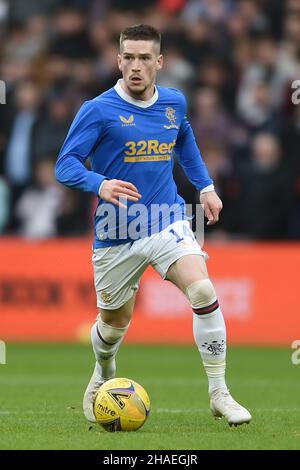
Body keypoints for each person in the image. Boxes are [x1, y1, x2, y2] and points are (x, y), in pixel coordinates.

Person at [55, 24, 251, 426]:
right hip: (114, 231)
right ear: (118, 60)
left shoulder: (174, 103)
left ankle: (220, 393)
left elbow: (184, 139)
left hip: (166, 218)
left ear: (159, 62)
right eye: (128, 57)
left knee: (202, 288)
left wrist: (207, 186)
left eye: (145, 58)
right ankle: (104, 370)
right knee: (113, 326)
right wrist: (101, 183)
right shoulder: (97, 109)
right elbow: (65, 164)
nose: (136, 66)